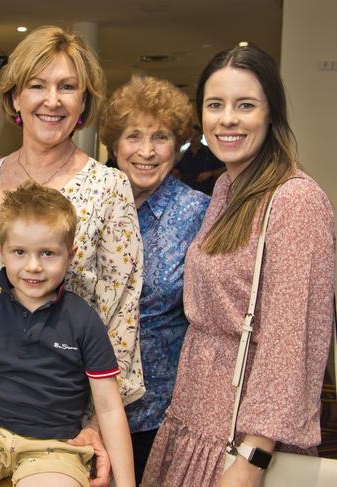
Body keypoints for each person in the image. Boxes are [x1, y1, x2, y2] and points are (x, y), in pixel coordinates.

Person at [0, 25, 144, 486]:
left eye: (68, 87)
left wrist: (94, 427)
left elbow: (118, 316)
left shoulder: (108, 188)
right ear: (15, 97)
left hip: (58, 416)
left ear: (84, 103)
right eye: (37, 85)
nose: (52, 100)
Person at [142, 44, 335, 486]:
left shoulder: (296, 201)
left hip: (240, 435)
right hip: (195, 414)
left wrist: (252, 459)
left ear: (271, 114)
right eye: (215, 105)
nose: (227, 119)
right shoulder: (229, 187)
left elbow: (292, 342)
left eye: (245, 105)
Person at [0, 182, 135, 487]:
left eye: (48, 253)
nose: (33, 266)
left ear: (70, 256)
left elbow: (110, 408)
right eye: (20, 252)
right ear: (1, 252)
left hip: (54, 447)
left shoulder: (84, 321)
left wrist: (126, 484)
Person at [99, 75, 210, 484]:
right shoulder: (91, 202)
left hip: (162, 409)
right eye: (133, 136)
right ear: (114, 144)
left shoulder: (199, 213)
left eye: (160, 137)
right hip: (81, 402)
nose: (146, 151)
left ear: (177, 145)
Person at [175, 124, 225, 195]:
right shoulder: (182, 154)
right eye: (190, 136)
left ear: (201, 136)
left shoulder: (211, 151)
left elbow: (225, 168)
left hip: (210, 193)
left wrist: (210, 173)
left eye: (195, 136)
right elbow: (176, 171)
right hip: (188, 195)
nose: (192, 139)